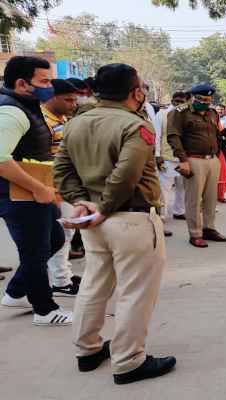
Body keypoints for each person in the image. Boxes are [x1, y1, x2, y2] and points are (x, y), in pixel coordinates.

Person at [54, 63, 176, 385]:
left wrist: (82, 202)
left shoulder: (76, 124)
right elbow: (126, 175)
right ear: (136, 92)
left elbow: (62, 172)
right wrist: (105, 207)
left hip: (95, 219)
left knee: (95, 286)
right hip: (130, 218)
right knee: (135, 292)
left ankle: (87, 349)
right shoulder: (135, 126)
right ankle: (129, 361)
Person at [0, 56, 72, 326]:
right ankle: (45, 310)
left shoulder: (25, 106)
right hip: (20, 196)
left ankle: (16, 293)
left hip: (34, 192)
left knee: (53, 240)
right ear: (21, 83)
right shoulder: (12, 111)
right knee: (35, 251)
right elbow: (0, 159)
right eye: (43, 81)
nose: (49, 86)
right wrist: (39, 188)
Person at [167, 84, 226, 248]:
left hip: (212, 159)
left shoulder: (212, 113)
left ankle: (209, 228)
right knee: (193, 199)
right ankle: (195, 233)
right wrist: (182, 160)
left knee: (211, 197)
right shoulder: (180, 113)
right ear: (193, 98)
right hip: (193, 159)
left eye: (208, 100)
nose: (204, 102)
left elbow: (220, 132)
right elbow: (174, 137)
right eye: (201, 99)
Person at [42, 78, 83, 296]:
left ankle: (63, 275)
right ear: (51, 97)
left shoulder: (63, 118)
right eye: (68, 99)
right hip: (53, 185)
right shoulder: (43, 121)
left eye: (74, 99)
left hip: (66, 184)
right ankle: (60, 282)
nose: (73, 104)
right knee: (61, 233)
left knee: (66, 232)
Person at [155, 91, 187, 231]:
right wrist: (157, 154)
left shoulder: (187, 115)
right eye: (177, 100)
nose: (179, 103)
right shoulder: (162, 114)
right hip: (166, 156)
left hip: (184, 157)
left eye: (182, 101)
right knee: (165, 187)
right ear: (172, 100)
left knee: (183, 186)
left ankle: (179, 211)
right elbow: (156, 135)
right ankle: (162, 214)